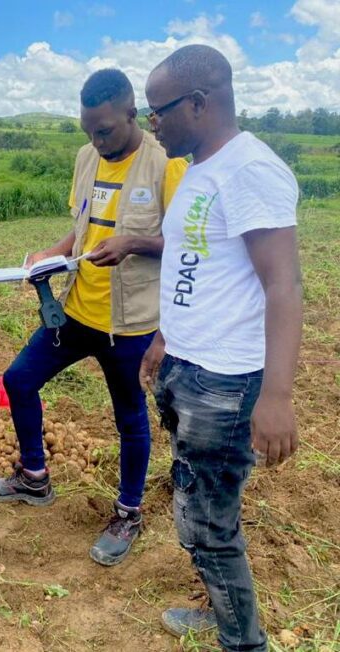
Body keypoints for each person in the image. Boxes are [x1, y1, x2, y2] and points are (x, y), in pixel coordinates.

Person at [0, 69, 187, 565]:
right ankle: (34, 477)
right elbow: (82, 229)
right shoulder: (86, 158)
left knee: (130, 419)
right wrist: (51, 253)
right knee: (19, 380)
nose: (97, 141)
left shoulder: (165, 165)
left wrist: (134, 243)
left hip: (132, 323)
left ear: (132, 114)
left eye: (106, 131)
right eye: (89, 131)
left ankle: (128, 512)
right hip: (75, 310)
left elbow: (185, 248)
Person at [140, 45, 302, 650]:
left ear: (200, 104)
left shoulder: (249, 172)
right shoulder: (202, 170)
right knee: (200, 504)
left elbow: (282, 284)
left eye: (158, 111)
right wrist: (164, 337)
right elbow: (194, 264)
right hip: (188, 366)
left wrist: (277, 395)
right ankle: (223, 610)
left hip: (228, 386)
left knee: (208, 523)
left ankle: (243, 641)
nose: (151, 124)